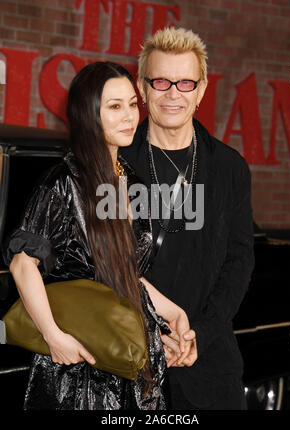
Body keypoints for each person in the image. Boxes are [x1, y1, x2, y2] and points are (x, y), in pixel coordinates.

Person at [4, 61, 195, 410]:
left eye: (132, 104)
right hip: (79, 364)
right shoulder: (62, 183)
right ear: (89, 115)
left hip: (129, 359)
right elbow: (22, 265)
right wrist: (53, 337)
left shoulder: (134, 182)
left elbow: (127, 276)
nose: (129, 116)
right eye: (114, 107)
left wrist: (174, 313)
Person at [119, 27, 255, 410]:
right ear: (142, 90)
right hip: (129, 366)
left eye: (185, 82)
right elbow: (100, 261)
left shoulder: (229, 168)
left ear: (202, 90)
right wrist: (152, 334)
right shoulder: (115, 162)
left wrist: (198, 333)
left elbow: (239, 260)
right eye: (161, 82)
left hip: (210, 366)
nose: (173, 93)